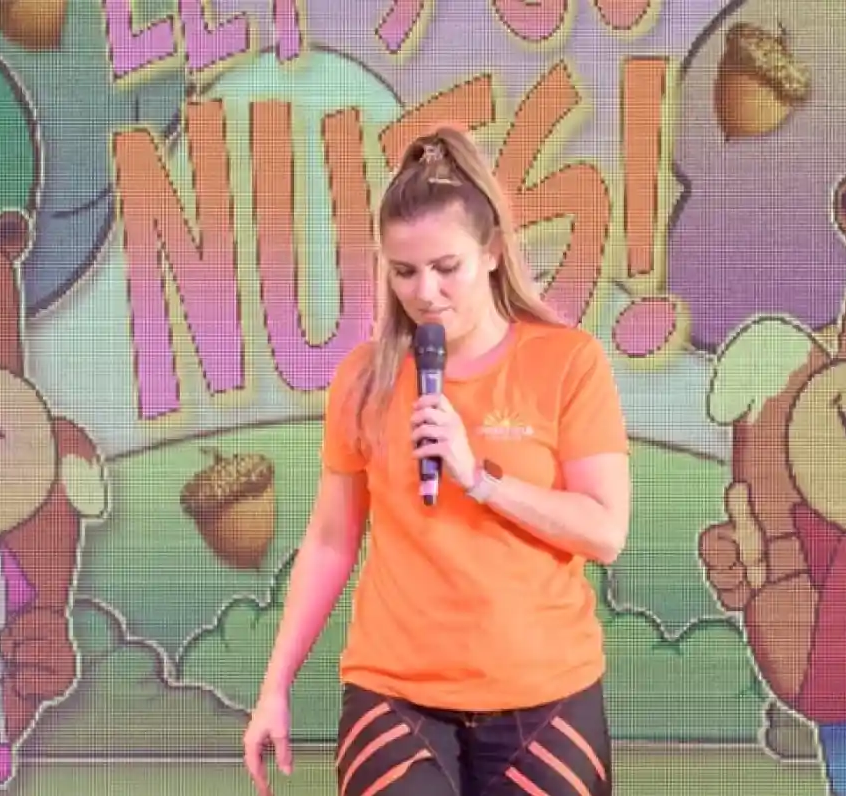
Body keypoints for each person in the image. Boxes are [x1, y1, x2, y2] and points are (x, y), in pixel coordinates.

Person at [240, 127, 633, 796]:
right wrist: (274, 686)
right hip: (396, 692)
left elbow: (604, 531)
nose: (425, 291)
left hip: (547, 694)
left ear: (491, 253)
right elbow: (332, 541)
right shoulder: (363, 379)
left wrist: (479, 478)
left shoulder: (567, 361)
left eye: (445, 267)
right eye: (404, 271)